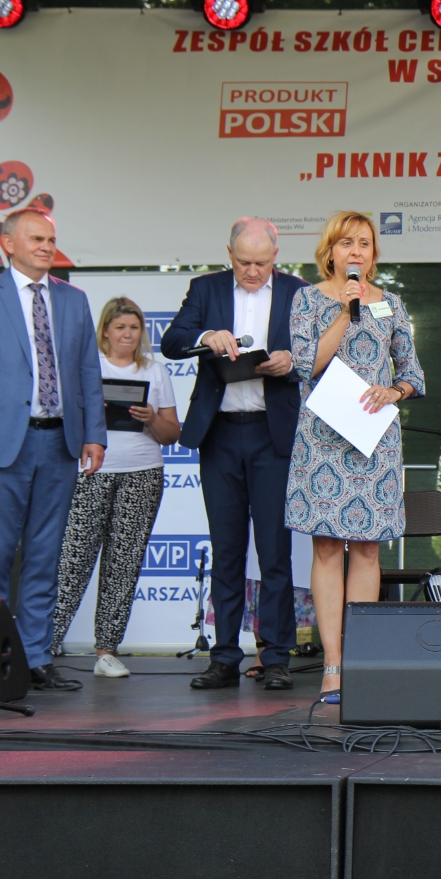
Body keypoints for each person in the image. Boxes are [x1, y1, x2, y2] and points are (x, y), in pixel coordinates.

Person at [0, 208, 106, 692]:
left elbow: (88, 373)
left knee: (45, 558)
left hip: (59, 441)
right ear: (8, 243)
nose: (46, 246)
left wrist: (95, 434)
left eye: (51, 239)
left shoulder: (74, 299)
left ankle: (36, 658)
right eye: (36, 238)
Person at [160, 218, 308, 691]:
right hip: (220, 433)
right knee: (226, 549)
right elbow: (171, 341)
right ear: (229, 254)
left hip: (272, 433)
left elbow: (319, 354)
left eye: (262, 263)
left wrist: (291, 362)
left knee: (275, 552)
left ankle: (276, 656)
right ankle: (223, 656)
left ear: (276, 256)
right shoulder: (205, 289)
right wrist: (206, 337)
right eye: (244, 262)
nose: (252, 271)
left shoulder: (298, 292)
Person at [286, 211, 425, 705]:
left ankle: (360, 660)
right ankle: (333, 664)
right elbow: (306, 364)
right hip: (323, 439)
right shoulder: (307, 299)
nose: (356, 251)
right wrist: (345, 312)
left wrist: (395, 390)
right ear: (330, 252)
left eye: (364, 243)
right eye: (347, 243)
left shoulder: (391, 303)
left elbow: (413, 373)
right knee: (327, 548)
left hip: (373, 437)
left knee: (367, 549)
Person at [49, 297, 179, 677]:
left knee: (124, 564)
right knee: (72, 560)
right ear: (105, 330)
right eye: (120, 327)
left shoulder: (155, 371)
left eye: (134, 327)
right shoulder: (88, 366)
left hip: (143, 472)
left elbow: (172, 434)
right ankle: (43, 646)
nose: (128, 334)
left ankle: (106, 651)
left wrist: (150, 417)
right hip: (91, 471)